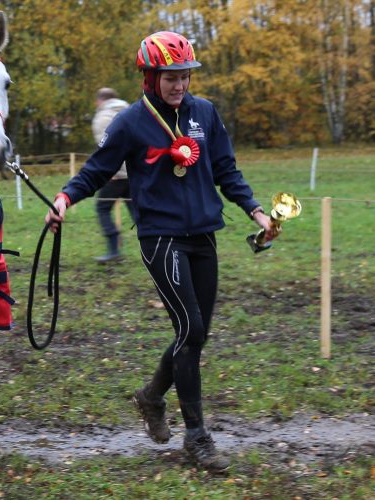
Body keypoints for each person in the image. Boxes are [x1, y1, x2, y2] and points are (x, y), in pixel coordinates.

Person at [45, 31, 278, 471]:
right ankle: (197, 436)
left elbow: (226, 169)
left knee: (196, 335)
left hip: (204, 235)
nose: (180, 85)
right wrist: (64, 200)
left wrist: (257, 212)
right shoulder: (131, 122)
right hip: (160, 237)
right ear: (150, 78)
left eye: (185, 76)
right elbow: (96, 171)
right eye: (171, 77)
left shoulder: (205, 114)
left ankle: (152, 397)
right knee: (189, 327)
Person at [91, 88, 133, 262]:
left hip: (116, 174)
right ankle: (159, 243)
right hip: (134, 173)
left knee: (102, 208)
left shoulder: (102, 118)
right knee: (138, 211)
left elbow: (108, 149)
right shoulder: (129, 111)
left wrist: (112, 171)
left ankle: (114, 247)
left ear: (100, 100)